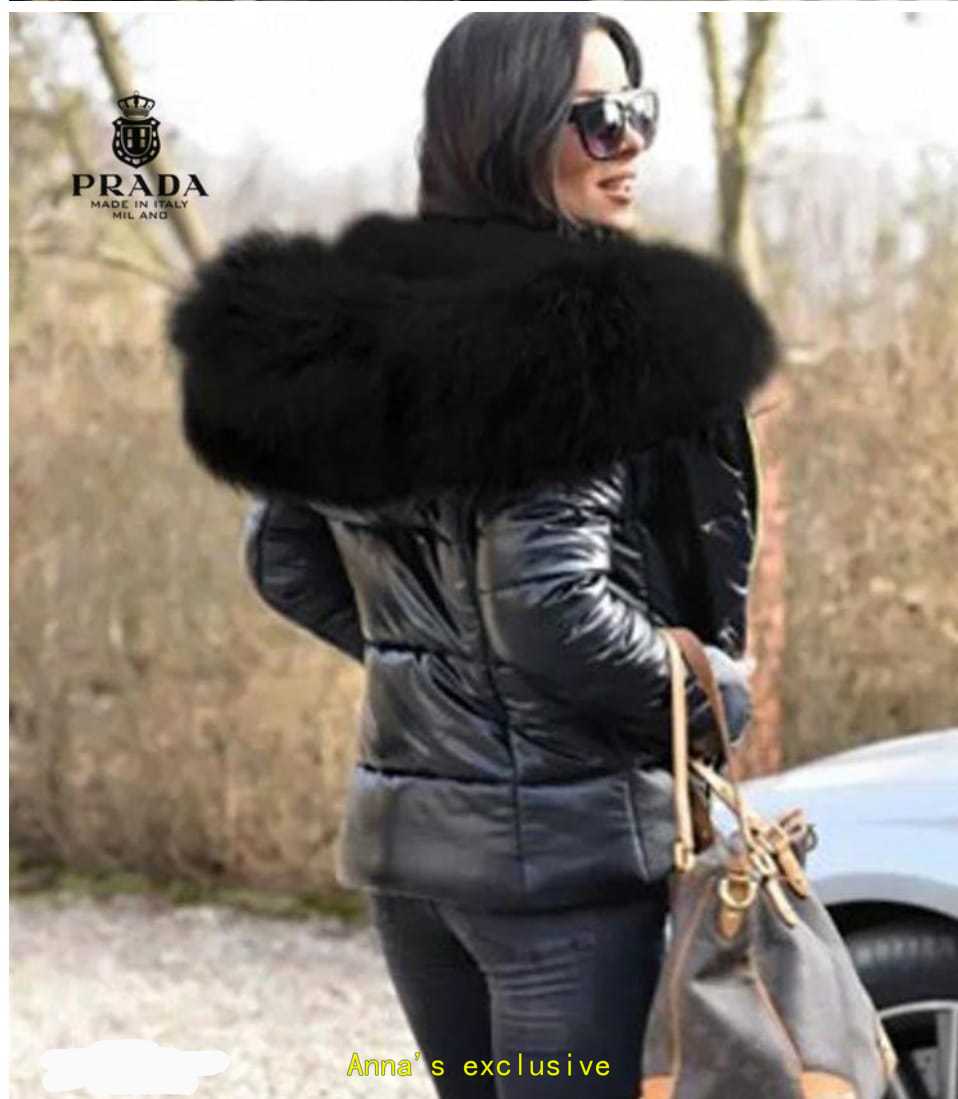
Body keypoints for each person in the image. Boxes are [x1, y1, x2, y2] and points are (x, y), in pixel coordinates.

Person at [168, 12, 780, 1097]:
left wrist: (446, 682)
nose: (631, 143)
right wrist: (710, 691)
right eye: (597, 120)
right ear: (506, 132)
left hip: (417, 864)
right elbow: (549, 605)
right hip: (561, 876)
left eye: (638, 110)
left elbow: (283, 555)